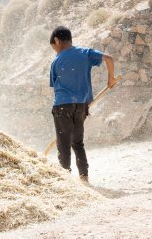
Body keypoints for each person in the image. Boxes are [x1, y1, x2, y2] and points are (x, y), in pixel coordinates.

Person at [49, 26, 116, 183]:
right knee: (77, 142)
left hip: (62, 106)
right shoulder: (85, 53)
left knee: (63, 143)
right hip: (81, 105)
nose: (55, 51)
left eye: (54, 48)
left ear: (57, 41)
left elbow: (56, 87)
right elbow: (109, 58)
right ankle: (84, 176)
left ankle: (65, 177)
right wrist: (110, 79)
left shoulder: (56, 61)